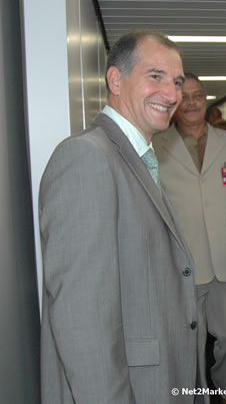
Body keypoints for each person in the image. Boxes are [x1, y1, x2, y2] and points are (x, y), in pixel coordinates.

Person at [39, 31, 200, 404]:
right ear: (115, 79)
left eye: (176, 81)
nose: (173, 94)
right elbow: (83, 318)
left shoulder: (137, 157)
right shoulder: (86, 157)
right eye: (155, 76)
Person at [153, 73, 226, 404]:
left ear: (206, 99)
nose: (190, 103)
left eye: (197, 96)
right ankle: (196, 395)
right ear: (174, 101)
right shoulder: (157, 145)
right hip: (182, 264)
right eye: (183, 97)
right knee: (190, 342)